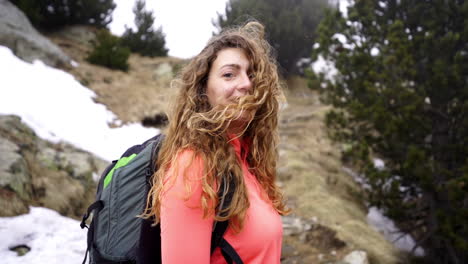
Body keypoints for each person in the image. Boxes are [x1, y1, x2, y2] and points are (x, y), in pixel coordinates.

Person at [143, 21, 289, 263]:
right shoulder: (193, 166)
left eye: (252, 75)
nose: (246, 84)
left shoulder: (248, 162)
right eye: (229, 74)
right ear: (203, 91)